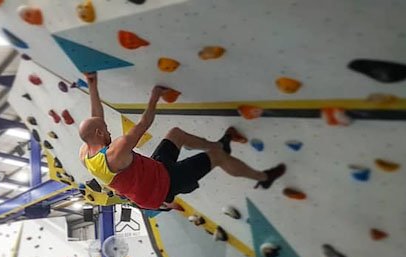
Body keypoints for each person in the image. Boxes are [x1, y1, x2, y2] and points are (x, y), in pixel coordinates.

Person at [78, 72, 286, 211]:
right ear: (98, 133)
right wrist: (154, 96)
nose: (109, 131)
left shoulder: (85, 152)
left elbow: (97, 117)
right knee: (218, 158)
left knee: (176, 134)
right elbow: (145, 122)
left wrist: (92, 85)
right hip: (164, 185)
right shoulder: (117, 150)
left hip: (153, 171)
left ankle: (218, 145)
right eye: (105, 130)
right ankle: (263, 176)